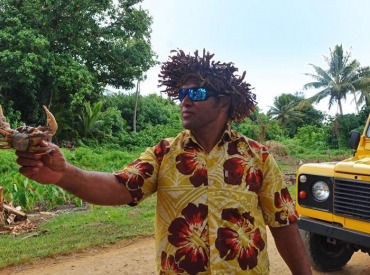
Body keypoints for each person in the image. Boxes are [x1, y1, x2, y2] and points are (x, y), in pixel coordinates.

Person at [16, 49, 312, 274]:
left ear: (223, 102)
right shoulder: (164, 154)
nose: (185, 100)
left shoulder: (257, 157)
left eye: (195, 92)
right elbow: (120, 187)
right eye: (182, 93)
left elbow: (283, 224)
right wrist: (64, 174)